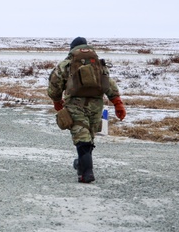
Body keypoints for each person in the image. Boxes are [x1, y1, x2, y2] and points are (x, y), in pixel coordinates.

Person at [47, 37, 126, 183]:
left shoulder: (67, 63)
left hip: (75, 104)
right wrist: (117, 103)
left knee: (81, 137)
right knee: (88, 136)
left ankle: (86, 173)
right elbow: (108, 83)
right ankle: (81, 166)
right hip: (96, 105)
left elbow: (54, 84)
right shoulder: (98, 64)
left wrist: (57, 101)